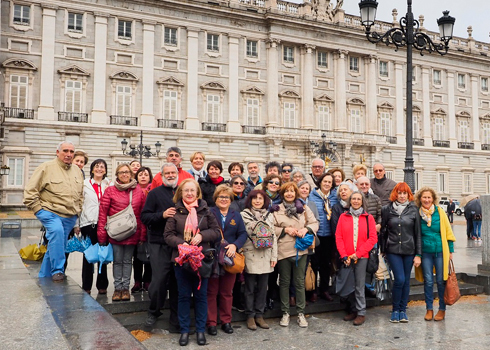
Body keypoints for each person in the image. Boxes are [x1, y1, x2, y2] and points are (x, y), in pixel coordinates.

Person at [164, 179, 220, 346]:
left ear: (197, 193)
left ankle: (201, 330)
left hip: (201, 259)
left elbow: (216, 232)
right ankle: (184, 331)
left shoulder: (206, 211)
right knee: (183, 296)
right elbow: (168, 235)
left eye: (192, 190)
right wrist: (181, 243)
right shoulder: (176, 212)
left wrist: (202, 236)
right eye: (186, 190)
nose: (189, 193)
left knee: (201, 296)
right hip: (181, 260)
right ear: (181, 192)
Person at [24, 141, 83, 281]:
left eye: (71, 152)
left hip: (70, 215)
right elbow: (30, 191)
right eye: (65, 151)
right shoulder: (45, 168)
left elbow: (80, 194)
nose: (69, 154)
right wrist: (38, 210)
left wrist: (78, 210)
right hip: (50, 212)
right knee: (56, 232)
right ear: (57, 152)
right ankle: (58, 270)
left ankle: (44, 276)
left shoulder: (77, 171)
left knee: (57, 246)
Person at [97, 163, 146, 302]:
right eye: (121, 172)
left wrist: (142, 235)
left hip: (132, 232)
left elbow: (142, 214)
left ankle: (125, 288)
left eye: (127, 172)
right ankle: (117, 288)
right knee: (117, 261)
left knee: (127, 261)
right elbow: (102, 214)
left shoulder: (138, 191)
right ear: (117, 175)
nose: (124, 174)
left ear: (131, 174)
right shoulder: (110, 190)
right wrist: (101, 235)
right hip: (115, 232)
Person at [274, 182, 319, 328]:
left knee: (299, 282)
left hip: (301, 249)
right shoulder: (276, 209)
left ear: (296, 193)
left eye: (292, 191)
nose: (289, 194)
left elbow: (314, 222)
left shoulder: (303, 208)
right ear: (282, 193)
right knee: (285, 282)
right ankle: (285, 313)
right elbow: (270, 227)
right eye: (286, 191)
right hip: (283, 250)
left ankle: (301, 313)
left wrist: (306, 229)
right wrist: (285, 230)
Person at [142, 163, 180, 331]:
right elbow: (145, 216)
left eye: (173, 172)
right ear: (162, 175)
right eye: (167, 173)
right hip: (159, 243)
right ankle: (154, 311)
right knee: (158, 280)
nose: (171, 175)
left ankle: (176, 319)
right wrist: (162, 215)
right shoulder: (154, 193)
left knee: (177, 282)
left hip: (179, 244)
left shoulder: (183, 192)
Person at [207, 185, 247, 336]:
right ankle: (211, 322)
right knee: (211, 291)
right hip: (213, 257)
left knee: (226, 292)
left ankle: (226, 321)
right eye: (220, 197)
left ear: (231, 200)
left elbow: (243, 234)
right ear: (215, 199)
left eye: (226, 197)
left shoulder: (236, 215)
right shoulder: (209, 212)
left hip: (229, 258)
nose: (223, 200)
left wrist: (235, 245)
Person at [380, 182, 421, 323]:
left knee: (406, 282)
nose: (402, 196)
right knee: (400, 279)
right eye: (399, 193)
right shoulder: (387, 209)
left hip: (409, 250)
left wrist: (418, 254)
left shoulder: (414, 209)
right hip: (393, 250)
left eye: (405, 193)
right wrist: (383, 249)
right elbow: (384, 231)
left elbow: (418, 234)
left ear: (408, 194)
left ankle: (403, 310)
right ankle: (395, 309)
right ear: (395, 194)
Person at [335, 191, 377, 326]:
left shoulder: (368, 217)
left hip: (361, 257)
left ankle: (361, 312)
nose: (356, 201)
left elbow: (372, 239)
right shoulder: (343, 216)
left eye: (359, 199)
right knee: (348, 285)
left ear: (362, 201)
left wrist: (358, 254)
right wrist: (344, 255)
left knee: (359, 285)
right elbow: (339, 236)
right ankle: (352, 310)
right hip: (347, 257)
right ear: (350, 201)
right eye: (353, 199)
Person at [414, 187, 456, 322]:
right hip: (425, 252)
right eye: (424, 197)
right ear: (420, 199)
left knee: (440, 280)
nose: (426, 200)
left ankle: (442, 309)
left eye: (429, 197)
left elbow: (448, 232)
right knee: (428, 281)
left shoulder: (440, 212)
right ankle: (429, 309)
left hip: (440, 251)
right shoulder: (417, 213)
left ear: (433, 199)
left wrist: (450, 250)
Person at [241, 190, 277, 330]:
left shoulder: (269, 215)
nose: (257, 201)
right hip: (251, 254)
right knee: (249, 287)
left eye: (260, 199)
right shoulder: (244, 215)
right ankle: (250, 316)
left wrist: (274, 256)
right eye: (254, 198)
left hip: (266, 255)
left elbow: (273, 237)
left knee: (263, 288)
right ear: (250, 200)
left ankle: (259, 315)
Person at [77, 159, 111, 294]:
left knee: (103, 255)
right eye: (97, 167)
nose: (99, 169)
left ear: (105, 170)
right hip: (88, 223)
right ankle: (86, 285)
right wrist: (76, 224)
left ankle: (102, 285)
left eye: (102, 167)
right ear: (91, 169)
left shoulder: (109, 184)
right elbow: (78, 204)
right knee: (88, 256)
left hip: (104, 224)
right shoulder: (84, 184)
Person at [308, 172, 338, 301]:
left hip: (330, 235)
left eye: (329, 182)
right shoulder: (312, 196)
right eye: (325, 181)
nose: (327, 184)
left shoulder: (334, 198)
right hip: (317, 234)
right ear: (320, 182)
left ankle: (324, 289)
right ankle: (313, 290)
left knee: (326, 263)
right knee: (314, 263)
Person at [131, 166, 154, 293]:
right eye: (140, 174)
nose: (143, 176)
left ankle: (148, 281)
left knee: (149, 256)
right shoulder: (133, 190)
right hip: (135, 227)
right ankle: (137, 281)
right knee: (137, 257)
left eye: (146, 174)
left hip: (149, 227)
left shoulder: (153, 190)